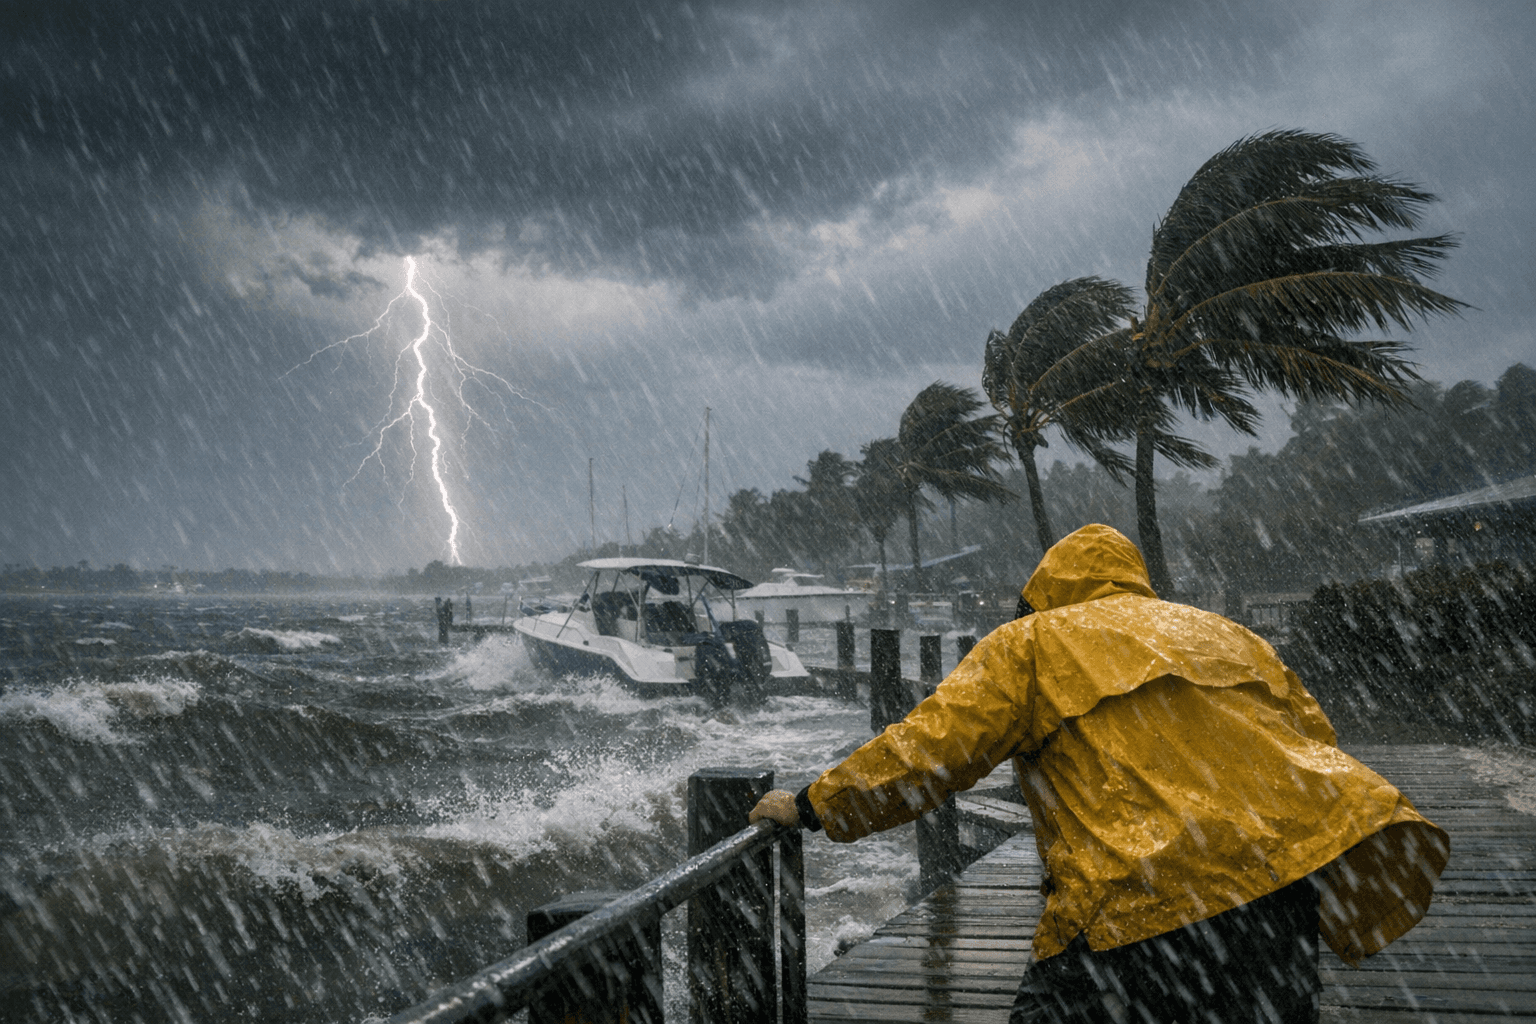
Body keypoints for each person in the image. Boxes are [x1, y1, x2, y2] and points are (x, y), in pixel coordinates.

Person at [750, 524, 1448, 1024]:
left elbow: (930, 751)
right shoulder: (1227, 634)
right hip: (1273, 893)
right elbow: (1311, 745)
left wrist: (814, 805)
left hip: (1139, 899)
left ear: (1047, 590)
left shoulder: (1032, 643)